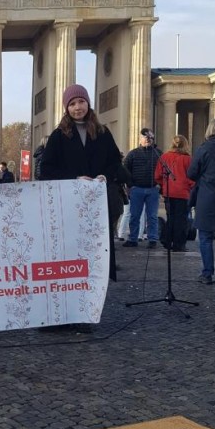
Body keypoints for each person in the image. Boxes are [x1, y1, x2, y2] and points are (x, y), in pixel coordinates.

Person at [40, 84, 122, 288]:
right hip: (70, 202)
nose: (78, 107)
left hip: (99, 200)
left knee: (97, 248)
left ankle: (96, 287)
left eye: (81, 102)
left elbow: (115, 162)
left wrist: (105, 175)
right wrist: (75, 178)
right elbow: (46, 170)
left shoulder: (103, 132)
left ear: (88, 103)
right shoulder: (58, 136)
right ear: (66, 108)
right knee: (73, 248)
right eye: (73, 103)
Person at [187, 116, 215, 284]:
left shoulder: (203, 149)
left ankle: (207, 273)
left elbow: (191, 173)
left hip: (207, 197)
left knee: (205, 237)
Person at [122, 129, 162, 248]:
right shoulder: (133, 153)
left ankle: (153, 239)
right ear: (140, 139)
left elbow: (163, 170)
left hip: (153, 188)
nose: (147, 139)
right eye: (144, 137)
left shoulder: (158, 153)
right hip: (137, 189)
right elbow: (125, 169)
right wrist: (129, 185)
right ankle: (133, 238)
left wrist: (160, 185)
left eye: (149, 137)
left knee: (152, 216)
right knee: (134, 215)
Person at [154, 135, 194, 252]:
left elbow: (157, 176)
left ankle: (166, 239)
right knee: (181, 219)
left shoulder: (164, 157)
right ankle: (178, 244)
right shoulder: (188, 159)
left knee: (171, 217)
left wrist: (164, 185)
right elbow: (192, 177)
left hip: (168, 191)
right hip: (183, 192)